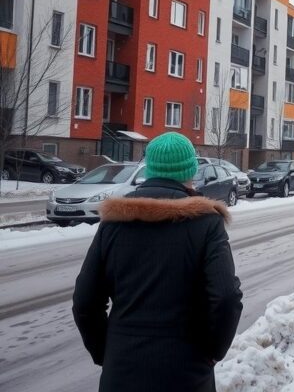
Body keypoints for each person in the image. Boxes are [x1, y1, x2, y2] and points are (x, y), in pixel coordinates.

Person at [73, 132, 243, 392]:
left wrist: (106, 352)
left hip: (122, 371)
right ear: (190, 171)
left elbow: (85, 301)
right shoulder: (206, 222)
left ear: (149, 169)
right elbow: (226, 297)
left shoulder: (114, 222)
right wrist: (212, 352)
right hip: (186, 372)